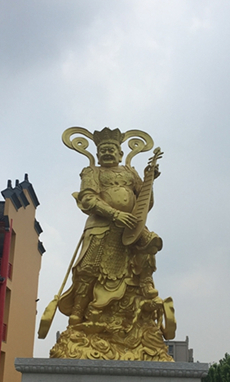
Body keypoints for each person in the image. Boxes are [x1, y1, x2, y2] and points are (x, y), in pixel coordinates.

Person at [51, 127, 173, 361]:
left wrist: (149, 181)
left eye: (112, 149)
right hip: (101, 226)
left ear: (120, 153)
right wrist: (114, 214)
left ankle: (146, 282)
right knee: (88, 268)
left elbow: (145, 203)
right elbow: (87, 199)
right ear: (97, 154)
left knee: (150, 242)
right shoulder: (92, 172)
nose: (107, 153)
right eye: (103, 150)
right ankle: (77, 313)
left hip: (130, 226)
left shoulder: (130, 172)